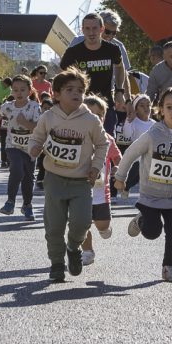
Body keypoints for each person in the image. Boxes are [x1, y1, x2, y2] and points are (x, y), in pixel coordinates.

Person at [26, 68, 108, 283]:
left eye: (80, 90)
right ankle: (56, 264)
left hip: (81, 181)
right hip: (54, 178)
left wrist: (96, 166)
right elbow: (37, 137)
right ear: (57, 94)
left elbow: (102, 144)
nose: (76, 94)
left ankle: (73, 247)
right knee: (54, 226)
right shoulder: (49, 117)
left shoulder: (90, 120)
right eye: (69, 89)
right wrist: (34, 148)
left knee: (82, 222)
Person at [115, 86, 172, 283]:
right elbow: (130, 154)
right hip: (150, 196)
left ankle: (169, 267)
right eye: (169, 107)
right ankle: (142, 220)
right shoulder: (152, 135)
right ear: (161, 110)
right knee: (152, 233)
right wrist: (121, 177)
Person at [79, 95, 121, 268]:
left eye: (99, 115)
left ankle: (104, 228)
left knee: (102, 226)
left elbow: (119, 158)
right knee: (81, 224)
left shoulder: (108, 140)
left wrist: (119, 169)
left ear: (104, 118)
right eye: (90, 114)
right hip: (79, 191)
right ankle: (87, 251)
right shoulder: (76, 137)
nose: (95, 118)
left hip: (101, 193)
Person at [0, 75, 41, 220]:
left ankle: (27, 205)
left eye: (22, 90)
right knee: (16, 170)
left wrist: (24, 122)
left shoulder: (34, 107)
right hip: (13, 145)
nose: (19, 93)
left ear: (29, 91)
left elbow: (38, 128)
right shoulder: (8, 106)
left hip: (31, 147)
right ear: (12, 92)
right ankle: (10, 202)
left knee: (29, 178)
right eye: (15, 90)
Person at [59, 13, 127, 103]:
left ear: (101, 28)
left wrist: (120, 91)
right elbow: (62, 74)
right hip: (81, 103)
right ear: (82, 30)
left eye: (95, 28)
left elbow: (121, 68)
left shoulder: (114, 48)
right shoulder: (74, 49)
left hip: (106, 103)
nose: (91, 33)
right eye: (87, 28)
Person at [113, 95, 154, 200]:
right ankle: (124, 186)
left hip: (150, 158)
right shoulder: (133, 122)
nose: (146, 108)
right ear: (135, 109)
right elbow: (127, 134)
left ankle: (146, 200)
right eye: (142, 106)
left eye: (148, 105)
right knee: (138, 167)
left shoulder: (155, 124)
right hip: (135, 157)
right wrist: (129, 118)